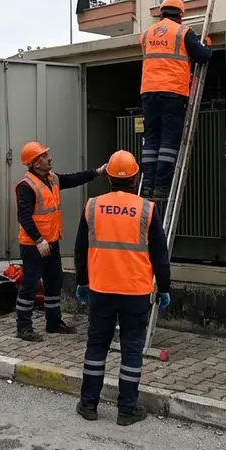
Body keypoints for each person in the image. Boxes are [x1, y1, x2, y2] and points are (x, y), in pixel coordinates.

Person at [73, 150, 172, 426]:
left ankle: (89, 405)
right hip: (135, 292)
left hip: (101, 290)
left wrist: (82, 282)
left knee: (96, 347)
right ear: (135, 176)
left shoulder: (92, 206)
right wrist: (163, 288)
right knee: (131, 350)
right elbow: (159, 254)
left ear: (109, 180)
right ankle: (126, 410)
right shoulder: (147, 209)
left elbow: (80, 249)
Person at [14, 141, 106, 342]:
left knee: (54, 281)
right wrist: (39, 240)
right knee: (30, 284)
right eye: (45, 156)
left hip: (51, 241)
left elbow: (73, 179)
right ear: (36, 163)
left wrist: (96, 172)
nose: (49, 158)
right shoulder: (26, 186)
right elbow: (24, 217)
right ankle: (23, 327)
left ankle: (53, 322)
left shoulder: (52, 179)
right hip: (34, 245)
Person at [139, 0, 213, 202]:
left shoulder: (146, 35)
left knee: (151, 139)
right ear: (181, 14)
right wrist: (206, 43)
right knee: (169, 140)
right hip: (172, 92)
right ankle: (161, 187)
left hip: (148, 92)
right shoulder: (183, 32)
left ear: (161, 13)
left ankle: (147, 186)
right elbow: (203, 56)